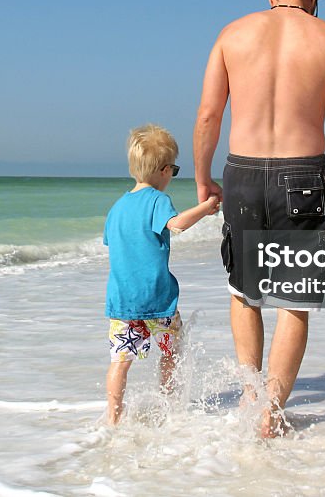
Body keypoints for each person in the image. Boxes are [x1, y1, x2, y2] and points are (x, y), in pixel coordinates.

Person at [193, 0, 325, 436]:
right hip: (304, 177)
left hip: (243, 175)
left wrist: (204, 178)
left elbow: (209, 115)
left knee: (244, 294)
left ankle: (252, 398)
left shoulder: (232, 34)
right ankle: (271, 412)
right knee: (295, 301)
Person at [104, 124, 220, 425]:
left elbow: (114, 245)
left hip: (122, 301)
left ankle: (113, 417)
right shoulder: (158, 200)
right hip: (157, 299)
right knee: (171, 351)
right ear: (165, 170)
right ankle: (169, 407)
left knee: (120, 361)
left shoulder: (116, 209)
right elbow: (177, 225)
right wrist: (206, 207)